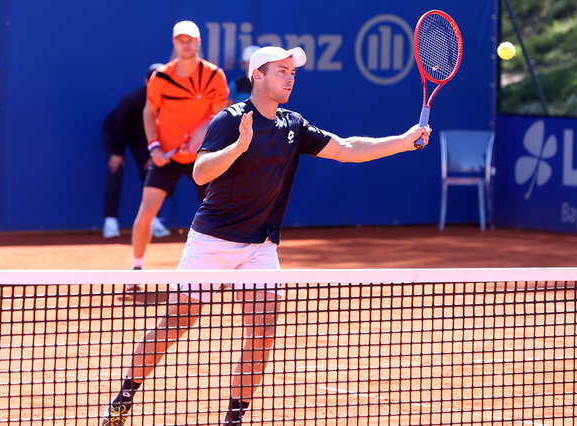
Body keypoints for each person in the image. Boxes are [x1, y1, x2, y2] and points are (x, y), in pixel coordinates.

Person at [102, 46, 431, 425]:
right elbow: (200, 172)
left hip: (261, 245)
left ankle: (234, 419)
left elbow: (346, 148)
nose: (290, 78)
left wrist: (404, 140)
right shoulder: (230, 119)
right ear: (257, 75)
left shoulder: (294, 125)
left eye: (293, 73)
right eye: (281, 71)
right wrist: (239, 146)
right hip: (214, 242)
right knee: (177, 322)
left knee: (262, 332)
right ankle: (124, 397)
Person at [130, 20, 229, 270]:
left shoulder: (214, 76)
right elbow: (149, 111)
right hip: (166, 155)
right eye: (181, 40)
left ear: (198, 42)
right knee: (147, 210)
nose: (186, 45)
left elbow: (219, 117)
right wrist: (154, 147)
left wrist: (201, 142)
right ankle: (136, 268)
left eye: (190, 40)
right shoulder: (161, 77)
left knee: (218, 213)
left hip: (202, 156)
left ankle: (227, 268)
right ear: (175, 43)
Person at [102, 63, 171, 239]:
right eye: (154, 79)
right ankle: (110, 222)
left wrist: (153, 153)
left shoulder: (170, 100)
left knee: (150, 170)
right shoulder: (132, 99)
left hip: (142, 136)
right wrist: (116, 153)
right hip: (117, 131)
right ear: (146, 81)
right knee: (116, 169)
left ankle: (153, 220)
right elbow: (119, 126)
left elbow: (165, 128)